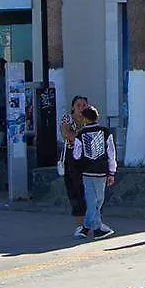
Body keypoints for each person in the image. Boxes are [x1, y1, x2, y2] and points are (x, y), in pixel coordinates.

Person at [72, 106, 116, 239]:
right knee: (98, 200)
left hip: (86, 171)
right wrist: (112, 172)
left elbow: (76, 154)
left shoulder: (80, 134)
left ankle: (85, 228)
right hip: (101, 172)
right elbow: (111, 153)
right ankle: (97, 229)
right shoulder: (106, 132)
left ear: (85, 119)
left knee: (91, 200)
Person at [60, 95, 89, 237]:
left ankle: (92, 222)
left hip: (88, 157)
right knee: (75, 191)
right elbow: (67, 134)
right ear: (73, 107)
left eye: (84, 105)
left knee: (89, 191)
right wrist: (82, 135)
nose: (81, 108)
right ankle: (79, 225)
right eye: (78, 105)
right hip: (72, 158)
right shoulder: (68, 119)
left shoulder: (90, 119)